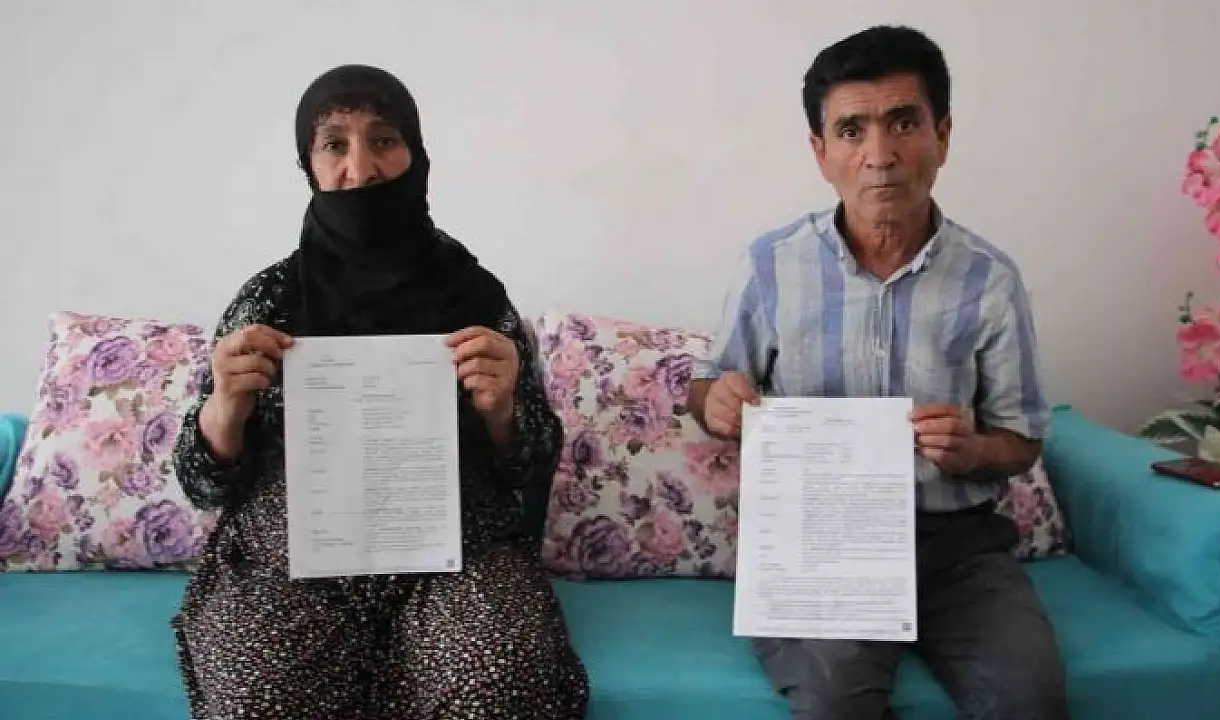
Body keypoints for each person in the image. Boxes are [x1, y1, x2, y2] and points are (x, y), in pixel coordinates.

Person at [169, 64, 590, 720]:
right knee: (259, 695)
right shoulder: (269, 300)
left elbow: (531, 465)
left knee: (499, 683)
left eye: (384, 140)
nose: (361, 169)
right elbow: (202, 485)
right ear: (308, 163)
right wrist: (225, 408)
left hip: (455, 551)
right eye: (334, 144)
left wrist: (501, 410)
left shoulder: (475, 297)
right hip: (293, 556)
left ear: (416, 154)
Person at [689, 26, 1069, 720]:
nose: (880, 155)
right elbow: (707, 388)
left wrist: (974, 450)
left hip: (956, 547)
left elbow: (1023, 440)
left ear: (942, 135)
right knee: (836, 700)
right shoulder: (772, 265)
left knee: (1029, 698)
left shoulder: (990, 280)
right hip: (815, 539)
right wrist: (715, 401)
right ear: (820, 151)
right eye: (851, 130)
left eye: (903, 123)